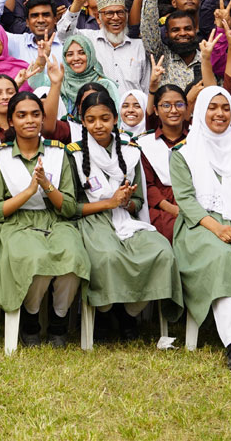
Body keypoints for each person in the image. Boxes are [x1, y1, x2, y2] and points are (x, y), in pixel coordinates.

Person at [68, 92, 180, 342]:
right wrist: (109, 202)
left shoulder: (130, 152)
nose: (99, 125)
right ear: (83, 122)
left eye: (105, 118)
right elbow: (70, 206)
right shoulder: (73, 154)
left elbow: (139, 201)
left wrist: (126, 202)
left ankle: (128, 313)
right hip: (92, 220)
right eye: (91, 119)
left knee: (160, 251)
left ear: (115, 119)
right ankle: (106, 313)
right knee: (107, 256)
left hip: (126, 218)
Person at [0, 92, 89, 347]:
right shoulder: (1, 157)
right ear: (10, 121)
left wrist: (46, 186)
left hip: (55, 221)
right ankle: (30, 322)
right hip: (15, 225)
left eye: (35, 114)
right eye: (21, 115)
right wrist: (29, 191)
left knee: (72, 256)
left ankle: (58, 324)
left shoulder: (58, 154)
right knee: (34, 258)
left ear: (43, 118)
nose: (29, 120)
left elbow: (69, 207)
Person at [170, 87, 231, 370]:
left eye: (225, 108)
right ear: (200, 110)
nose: (220, 114)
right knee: (221, 256)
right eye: (212, 107)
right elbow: (186, 201)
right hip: (199, 226)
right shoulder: (184, 153)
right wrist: (218, 229)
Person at [137, 85, 191, 242]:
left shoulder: (197, 140)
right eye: (166, 105)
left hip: (193, 199)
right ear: (155, 109)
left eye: (179, 104)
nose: (173, 110)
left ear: (187, 108)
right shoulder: (144, 143)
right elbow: (147, 185)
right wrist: (172, 209)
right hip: (160, 206)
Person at [60, 35, 119, 118]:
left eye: (82, 53)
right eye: (70, 54)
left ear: (90, 54)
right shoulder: (60, 84)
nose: (76, 58)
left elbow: (117, 118)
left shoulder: (105, 85)